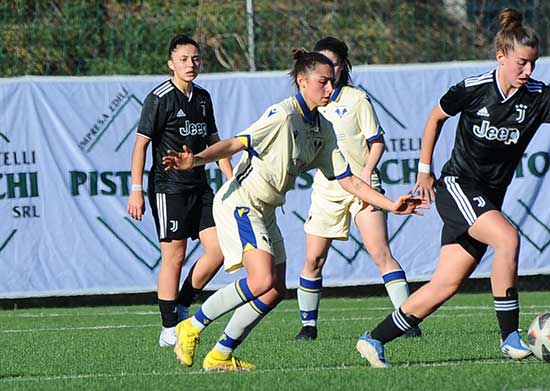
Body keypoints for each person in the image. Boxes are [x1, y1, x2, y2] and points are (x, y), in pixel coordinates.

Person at [355, 8, 550, 368]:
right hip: (457, 185)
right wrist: (425, 171)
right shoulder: (474, 89)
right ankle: (509, 337)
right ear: (501, 57)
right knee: (507, 239)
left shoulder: (539, 96)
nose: (528, 71)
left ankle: (373, 339)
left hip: (485, 196)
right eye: (521, 63)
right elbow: (435, 117)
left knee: (445, 285)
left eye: (533, 64)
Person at [163, 49, 426, 372]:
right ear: (302, 81)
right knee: (260, 280)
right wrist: (196, 159)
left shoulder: (323, 129)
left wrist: (391, 204)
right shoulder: (283, 115)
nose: (329, 89)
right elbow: (236, 143)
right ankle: (191, 327)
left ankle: (220, 354)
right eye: (322, 82)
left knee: (274, 291)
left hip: (267, 209)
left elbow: (349, 182)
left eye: (332, 82)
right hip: (241, 202)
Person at [294, 37, 420, 341]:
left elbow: (377, 140)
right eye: (323, 64)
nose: (329, 70)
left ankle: (407, 322)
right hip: (328, 188)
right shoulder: (309, 105)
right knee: (313, 259)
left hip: (363, 186)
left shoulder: (356, 99)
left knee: (380, 253)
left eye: (334, 63)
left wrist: (366, 171)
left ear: (342, 66)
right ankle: (308, 327)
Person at [127, 34, 233, 348]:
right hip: (168, 188)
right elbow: (140, 145)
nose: (191, 64)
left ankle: (183, 303)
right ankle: (169, 328)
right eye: (184, 59)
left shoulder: (202, 97)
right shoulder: (159, 98)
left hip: (199, 186)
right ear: (171, 63)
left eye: (196, 58)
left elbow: (215, 143)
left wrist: (230, 179)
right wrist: (135, 189)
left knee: (219, 250)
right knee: (175, 256)